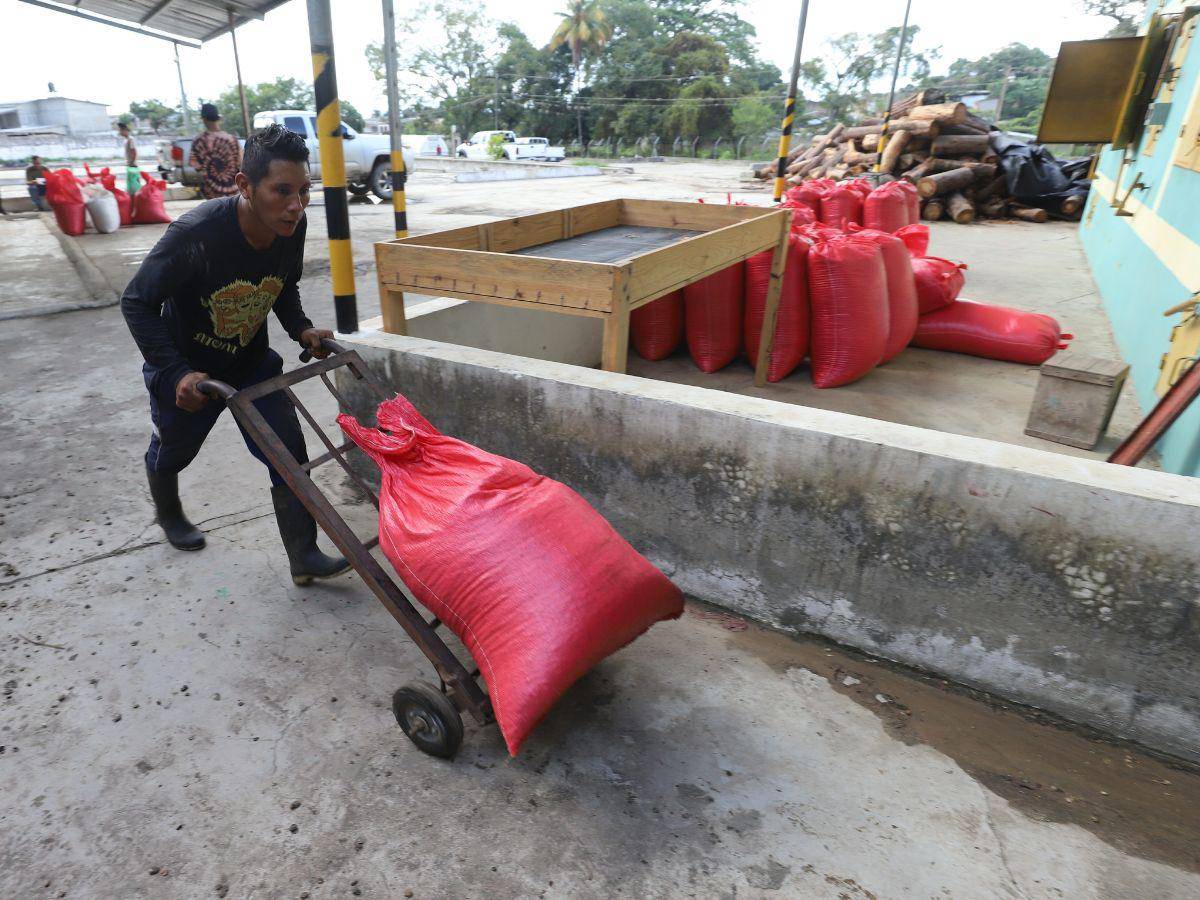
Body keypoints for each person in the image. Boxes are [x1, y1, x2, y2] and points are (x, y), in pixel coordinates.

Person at [120, 124, 348, 586]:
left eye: (304, 191)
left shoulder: (291, 227)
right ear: (245, 185)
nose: (296, 205)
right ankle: (169, 512)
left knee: (288, 453)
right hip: (190, 371)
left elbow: (283, 285)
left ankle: (303, 553)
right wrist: (176, 372)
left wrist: (301, 328)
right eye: (281, 191)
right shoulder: (195, 234)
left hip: (250, 363)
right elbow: (136, 302)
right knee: (174, 451)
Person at [189, 103, 242, 200]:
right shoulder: (232, 140)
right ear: (218, 119)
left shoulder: (198, 141)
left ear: (204, 119)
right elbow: (240, 163)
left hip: (212, 195)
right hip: (234, 193)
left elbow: (197, 168)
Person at [118, 121, 140, 196]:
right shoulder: (126, 140)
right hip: (130, 164)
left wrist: (132, 162)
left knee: (135, 184)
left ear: (125, 130)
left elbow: (134, 151)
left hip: (132, 164)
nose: (120, 132)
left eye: (121, 131)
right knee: (131, 184)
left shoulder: (131, 139)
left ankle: (137, 197)